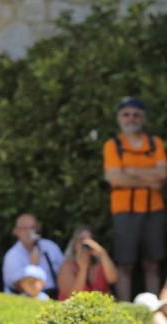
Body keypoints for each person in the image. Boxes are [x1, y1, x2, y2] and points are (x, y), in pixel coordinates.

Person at [103, 97, 166, 301]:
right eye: (126, 114)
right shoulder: (113, 145)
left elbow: (161, 178)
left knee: (153, 263)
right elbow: (114, 177)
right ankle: (125, 308)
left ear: (143, 118)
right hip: (124, 210)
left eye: (136, 114)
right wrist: (148, 174)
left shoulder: (155, 143)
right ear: (120, 118)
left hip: (153, 209)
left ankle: (156, 308)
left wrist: (129, 172)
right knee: (124, 263)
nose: (131, 118)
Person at [2, 213, 63, 299]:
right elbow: (19, 288)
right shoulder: (12, 256)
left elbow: (63, 273)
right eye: (25, 228)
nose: (30, 232)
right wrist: (33, 267)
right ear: (16, 231)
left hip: (56, 295)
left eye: (33, 227)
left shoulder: (51, 247)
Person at [57, 226, 118, 300]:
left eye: (90, 239)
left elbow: (113, 279)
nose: (86, 244)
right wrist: (83, 269)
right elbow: (73, 296)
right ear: (75, 245)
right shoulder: (66, 266)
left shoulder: (100, 264)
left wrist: (103, 254)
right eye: (81, 240)